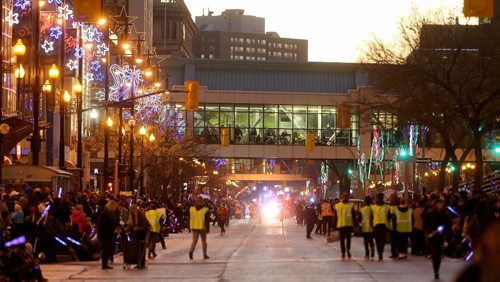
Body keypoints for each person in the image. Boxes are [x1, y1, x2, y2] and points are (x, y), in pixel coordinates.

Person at [424, 198, 448, 280]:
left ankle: (437, 268)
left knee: (439, 253)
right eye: (439, 204)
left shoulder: (444, 213)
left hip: (440, 236)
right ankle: (436, 271)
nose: (440, 205)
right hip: (432, 236)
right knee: (435, 253)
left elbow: (447, 223)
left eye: (442, 204)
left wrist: (444, 230)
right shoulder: (431, 213)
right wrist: (429, 231)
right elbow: (426, 223)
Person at [97, 200, 119, 270]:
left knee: (106, 249)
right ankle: (104, 264)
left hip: (105, 234)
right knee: (105, 249)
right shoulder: (106, 215)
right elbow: (106, 225)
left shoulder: (105, 214)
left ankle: (105, 263)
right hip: (105, 234)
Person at [128, 204, 150, 269]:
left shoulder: (140, 215)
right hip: (137, 233)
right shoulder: (133, 215)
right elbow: (131, 225)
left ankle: (141, 263)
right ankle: (138, 263)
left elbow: (144, 226)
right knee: (137, 248)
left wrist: (137, 228)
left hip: (144, 233)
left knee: (142, 247)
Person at [334, 193, 355, 259]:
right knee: (346, 239)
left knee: (344, 239)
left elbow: (335, 217)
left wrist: (333, 226)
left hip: (343, 225)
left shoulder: (338, 205)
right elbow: (353, 216)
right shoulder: (350, 205)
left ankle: (345, 251)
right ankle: (346, 251)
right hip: (346, 225)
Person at [371, 192, 389, 260]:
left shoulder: (374, 207)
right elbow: (389, 216)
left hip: (376, 225)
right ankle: (381, 251)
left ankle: (379, 252)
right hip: (384, 225)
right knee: (383, 240)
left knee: (378, 240)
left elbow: (371, 216)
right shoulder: (386, 206)